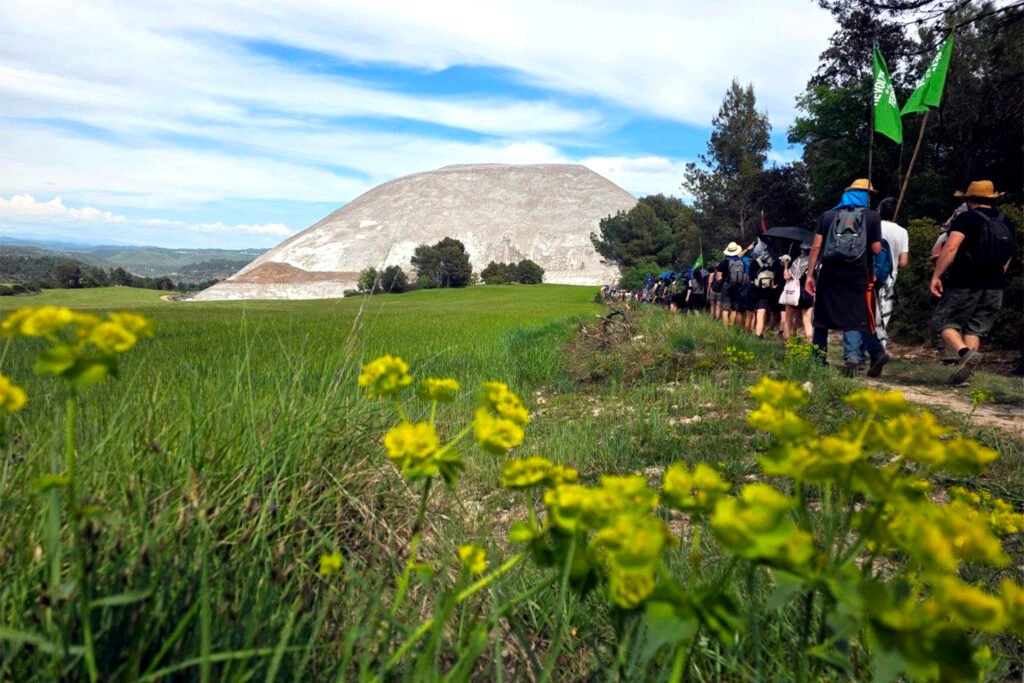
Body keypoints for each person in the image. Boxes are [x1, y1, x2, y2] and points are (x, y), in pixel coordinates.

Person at [929, 180, 1015, 385]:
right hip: (995, 284)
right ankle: (964, 375)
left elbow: (951, 247)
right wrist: (998, 275)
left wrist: (936, 276)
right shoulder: (1006, 221)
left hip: (965, 282)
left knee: (944, 322)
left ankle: (965, 353)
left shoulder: (966, 219)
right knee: (974, 329)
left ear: (969, 199)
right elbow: (1008, 255)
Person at [805, 178, 886, 376]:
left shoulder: (828, 215)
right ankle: (857, 356)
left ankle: (818, 357)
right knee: (856, 315)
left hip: (830, 273)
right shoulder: (872, 217)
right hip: (857, 273)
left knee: (822, 315)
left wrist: (810, 274)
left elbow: (816, 246)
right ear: (866, 196)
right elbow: (876, 249)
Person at [871, 197, 910, 353]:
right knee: (884, 313)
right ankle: (881, 347)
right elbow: (903, 262)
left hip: (868, 276)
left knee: (866, 312)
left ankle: (864, 350)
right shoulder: (902, 232)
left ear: (879, 210)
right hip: (889, 279)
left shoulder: (874, 226)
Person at [714, 242, 745, 327]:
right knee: (734, 309)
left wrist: (719, 285)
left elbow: (718, 277)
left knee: (725, 309)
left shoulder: (724, 262)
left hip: (727, 287)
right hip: (737, 287)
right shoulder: (740, 261)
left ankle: (726, 329)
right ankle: (731, 326)